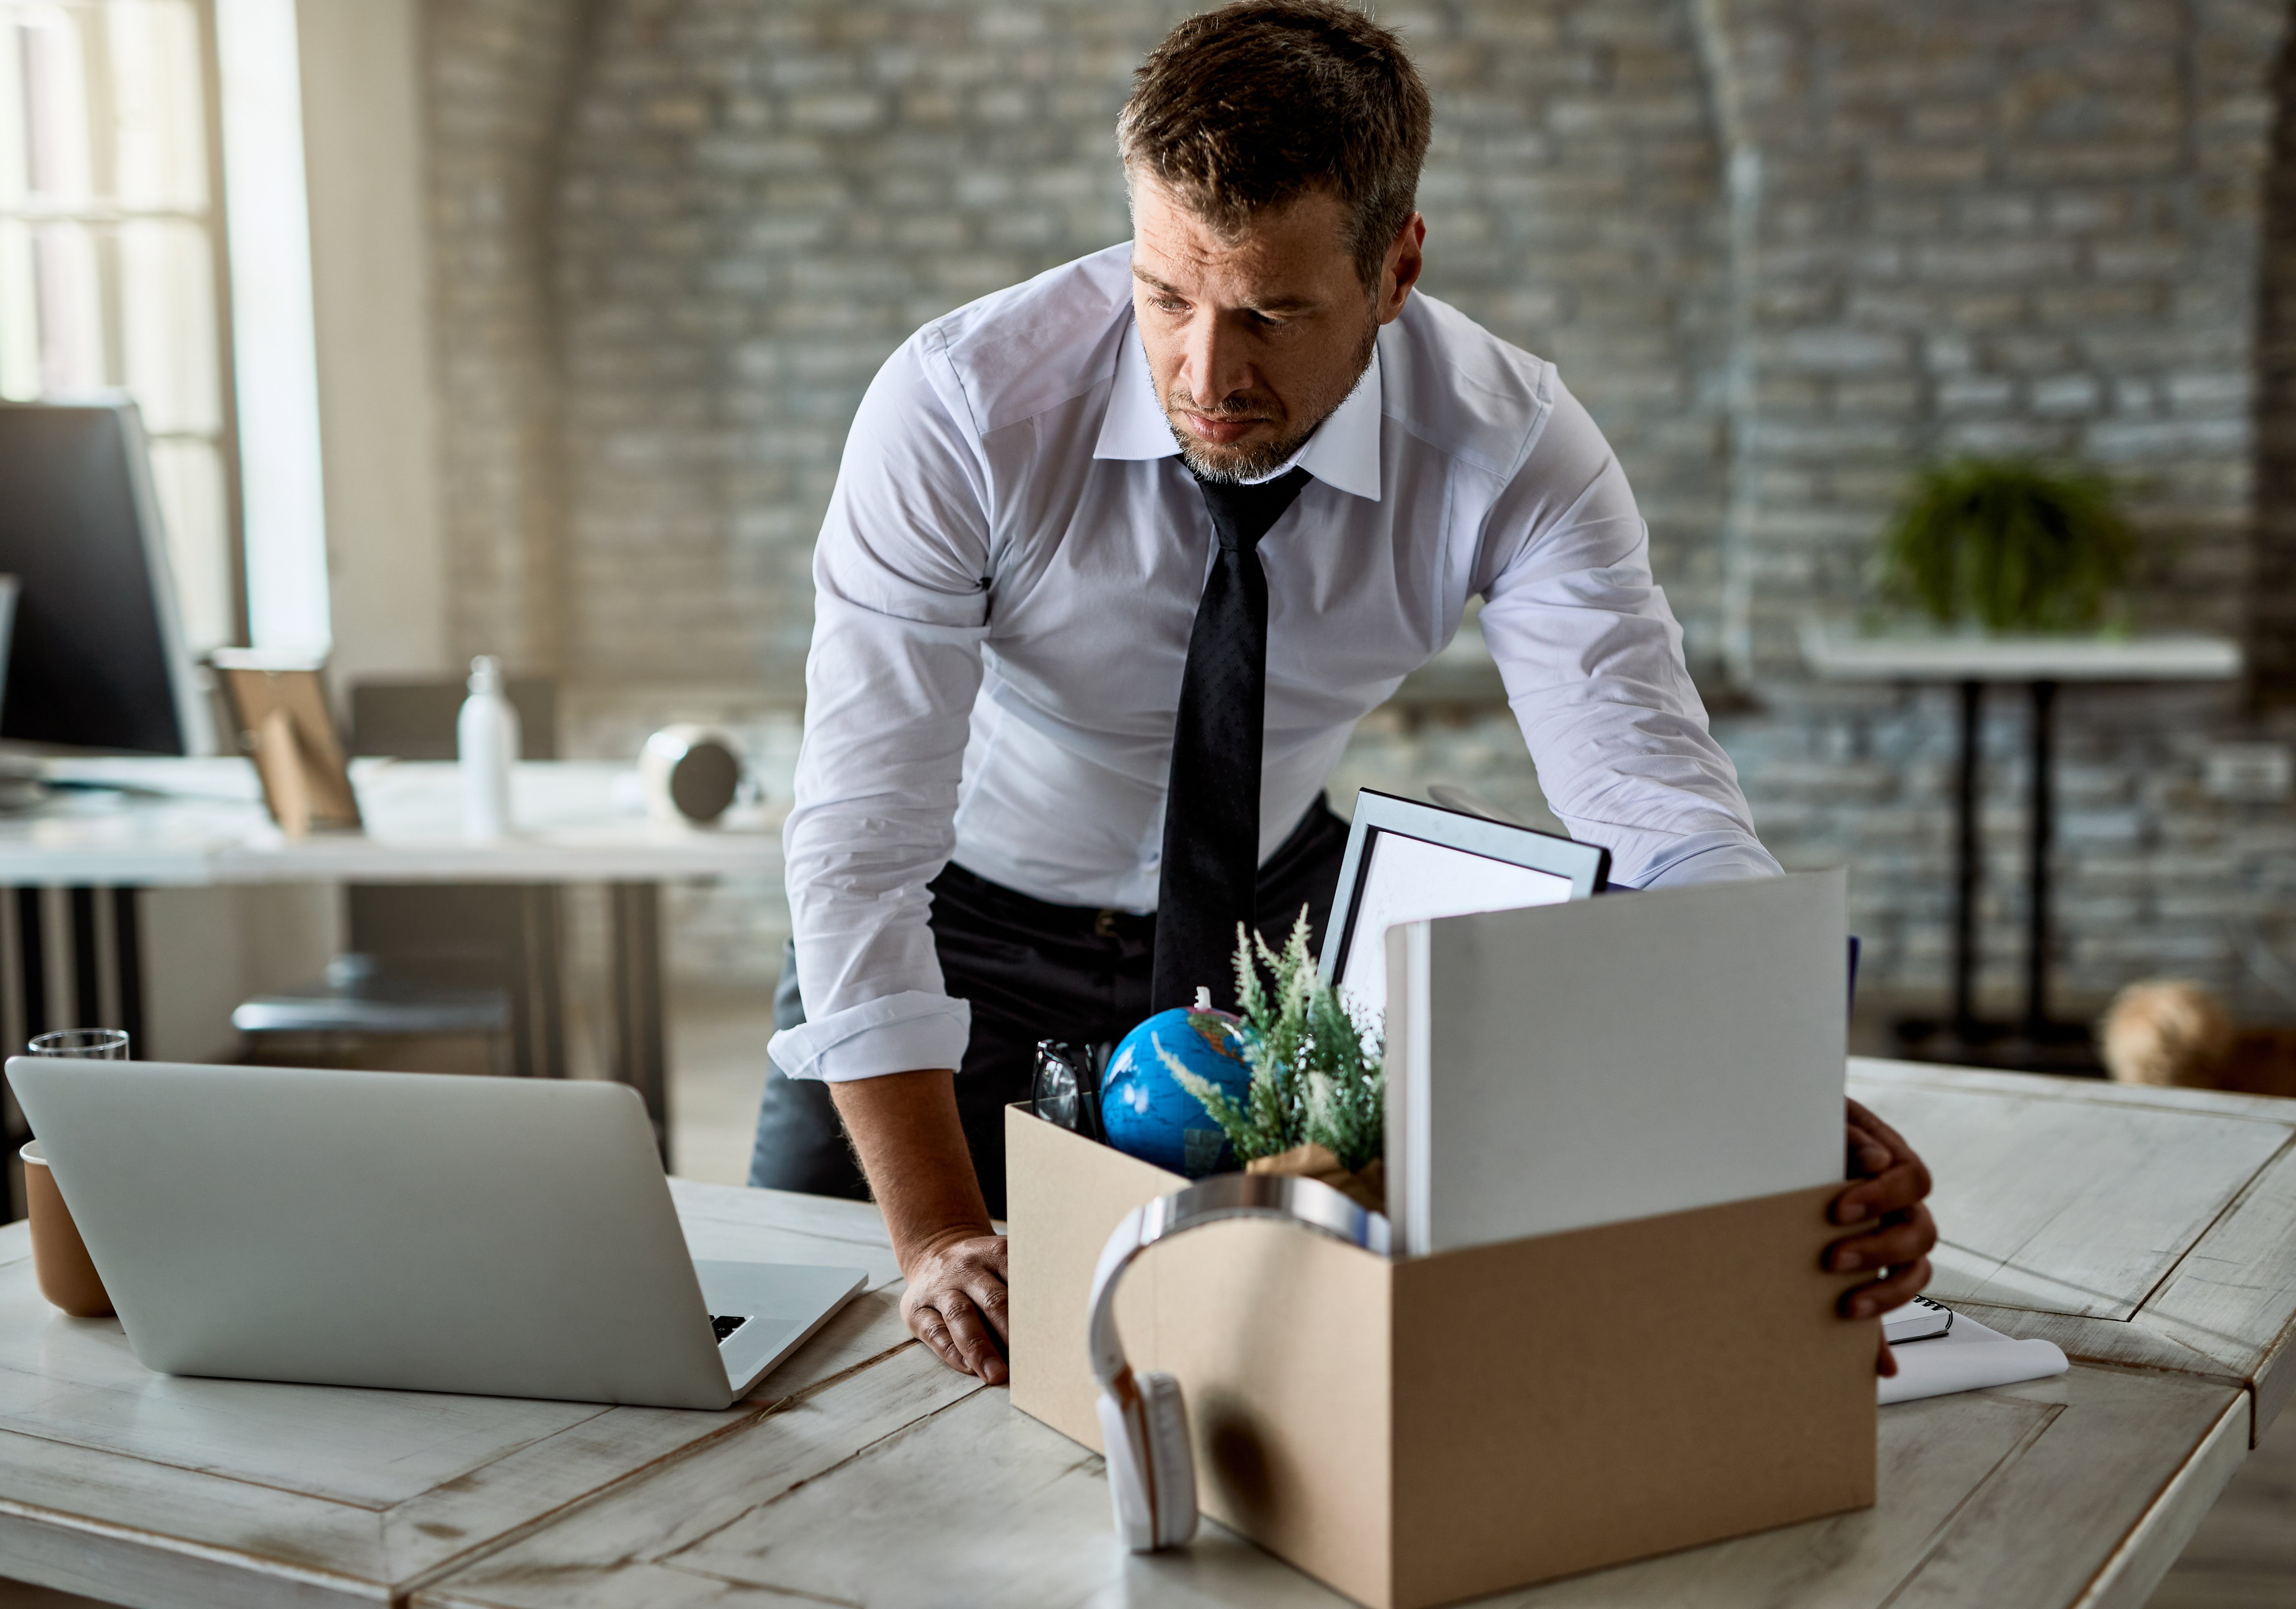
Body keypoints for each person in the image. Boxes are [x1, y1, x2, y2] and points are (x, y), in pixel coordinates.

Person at [751, 0, 1937, 1385]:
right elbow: (859, 837)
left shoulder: (1513, 449)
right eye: (1166, 296)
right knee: (819, 1364)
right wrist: (941, 1235)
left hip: (1272, 934)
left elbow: (1653, 799)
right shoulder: (959, 408)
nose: (1207, 375)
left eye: (1272, 312)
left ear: (1396, 268)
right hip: (955, 915)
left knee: (1286, 1373)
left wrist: (1774, 1078)